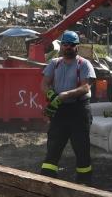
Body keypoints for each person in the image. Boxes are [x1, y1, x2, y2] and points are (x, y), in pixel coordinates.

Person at [39, 30, 95, 184]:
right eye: (65, 44)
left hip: (79, 110)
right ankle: (47, 181)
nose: (68, 47)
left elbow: (85, 88)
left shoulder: (84, 64)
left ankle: (84, 183)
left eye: (71, 45)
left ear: (77, 47)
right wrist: (51, 96)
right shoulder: (54, 63)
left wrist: (63, 96)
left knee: (81, 147)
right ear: (61, 46)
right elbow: (44, 83)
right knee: (54, 146)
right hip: (60, 111)